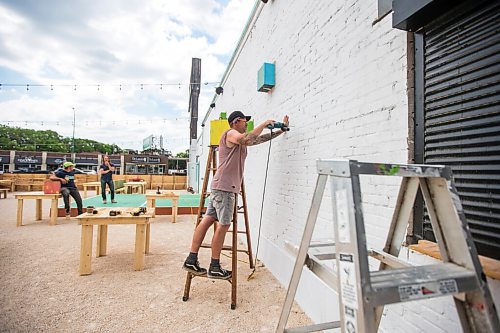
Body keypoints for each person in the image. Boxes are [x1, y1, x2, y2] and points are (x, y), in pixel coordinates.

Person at [183, 110, 289, 279]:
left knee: (208, 220)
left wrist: (279, 131)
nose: (246, 124)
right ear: (236, 121)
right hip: (225, 188)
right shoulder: (231, 133)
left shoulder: (239, 139)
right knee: (223, 225)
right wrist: (263, 123)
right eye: (244, 122)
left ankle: (191, 259)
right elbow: (247, 138)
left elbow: (257, 139)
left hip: (221, 186)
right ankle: (215, 266)